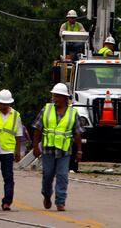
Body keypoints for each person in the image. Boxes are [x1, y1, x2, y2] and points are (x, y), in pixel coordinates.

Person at [32, 83, 83, 212]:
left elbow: (77, 133)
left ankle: (60, 202)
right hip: (48, 150)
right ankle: (47, 194)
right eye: (54, 95)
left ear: (65, 98)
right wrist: (35, 147)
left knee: (62, 176)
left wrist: (79, 150)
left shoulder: (73, 113)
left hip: (64, 151)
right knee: (48, 175)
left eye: (57, 96)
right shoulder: (46, 110)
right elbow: (37, 129)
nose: (54, 98)